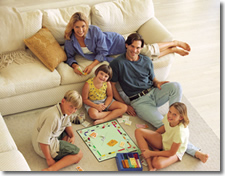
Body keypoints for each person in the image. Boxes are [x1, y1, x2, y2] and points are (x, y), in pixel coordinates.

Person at [109, 33, 209, 163]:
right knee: (165, 125)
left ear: (141, 48)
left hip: (154, 92)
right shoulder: (118, 63)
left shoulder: (145, 60)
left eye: (138, 48)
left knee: (176, 86)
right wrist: (125, 105)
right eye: (132, 47)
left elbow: (153, 79)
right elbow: (112, 85)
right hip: (139, 101)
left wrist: (158, 83)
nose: (135, 50)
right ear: (126, 45)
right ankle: (195, 151)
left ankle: (175, 115)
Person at [64, 12, 191, 75]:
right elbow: (69, 57)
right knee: (141, 60)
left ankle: (173, 43)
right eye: (77, 27)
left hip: (115, 43)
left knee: (144, 51)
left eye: (83, 26)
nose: (81, 30)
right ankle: (172, 50)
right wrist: (75, 66)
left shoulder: (95, 31)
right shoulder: (70, 39)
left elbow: (102, 51)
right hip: (109, 55)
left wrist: (91, 66)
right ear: (72, 27)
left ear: (87, 25)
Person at [32, 90, 83, 171]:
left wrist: (72, 136)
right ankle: (51, 169)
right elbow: (43, 141)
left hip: (52, 136)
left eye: (75, 108)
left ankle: (61, 152)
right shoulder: (53, 117)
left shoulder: (64, 109)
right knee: (78, 155)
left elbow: (67, 124)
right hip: (42, 146)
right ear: (63, 101)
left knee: (67, 133)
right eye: (71, 106)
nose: (73, 110)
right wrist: (49, 159)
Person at [135, 102, 190, 171]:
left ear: (181, 117)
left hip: (175, 152)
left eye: (174, 114)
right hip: (165, 140)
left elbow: (171, 152)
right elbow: (164, 127)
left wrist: (151, 153)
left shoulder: (180, 132)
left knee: (157, 163)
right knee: (138, 131)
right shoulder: (169, 117)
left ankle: (154, 150)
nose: (170, 116)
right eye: (170, 112)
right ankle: (150, 165)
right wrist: (153, 136)